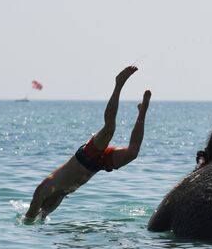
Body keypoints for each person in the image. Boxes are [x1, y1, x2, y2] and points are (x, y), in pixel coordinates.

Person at [25, 66, 151, 222]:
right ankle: (143, 112)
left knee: (109, 128)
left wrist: (29, 221)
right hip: (96, 165)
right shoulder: (54, 200)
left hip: (85, 157)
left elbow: (29, 219)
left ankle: (119, 83)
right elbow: (40, 218)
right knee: (132, 153)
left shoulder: (41, 192)